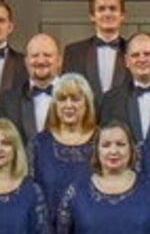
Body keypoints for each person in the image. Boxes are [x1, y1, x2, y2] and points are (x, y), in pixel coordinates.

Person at [28, 72, 100, 208]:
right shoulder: (39, 143)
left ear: (87, 103)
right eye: (62, 99)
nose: (68, 105)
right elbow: (31, 195)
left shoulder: (102, 141)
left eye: (75, 99)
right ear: (54, 105)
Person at [102, 32, 150, 144]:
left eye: (147, 54)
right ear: (126, 61)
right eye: (135, 55)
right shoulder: (110, 100)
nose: (142, 59)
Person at [65, 0, 131, 98]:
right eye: (101, 9)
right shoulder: (74, 53)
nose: (107, 14)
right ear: (92, 16)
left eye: (113, 9)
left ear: (122, 15)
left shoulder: (135, 52)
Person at [1, 33, 66, 141]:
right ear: (26, 61)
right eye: (35, 55)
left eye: (47, 55)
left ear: (59, 61)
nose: (41, 61)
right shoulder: (8, 100)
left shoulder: (77, 98)